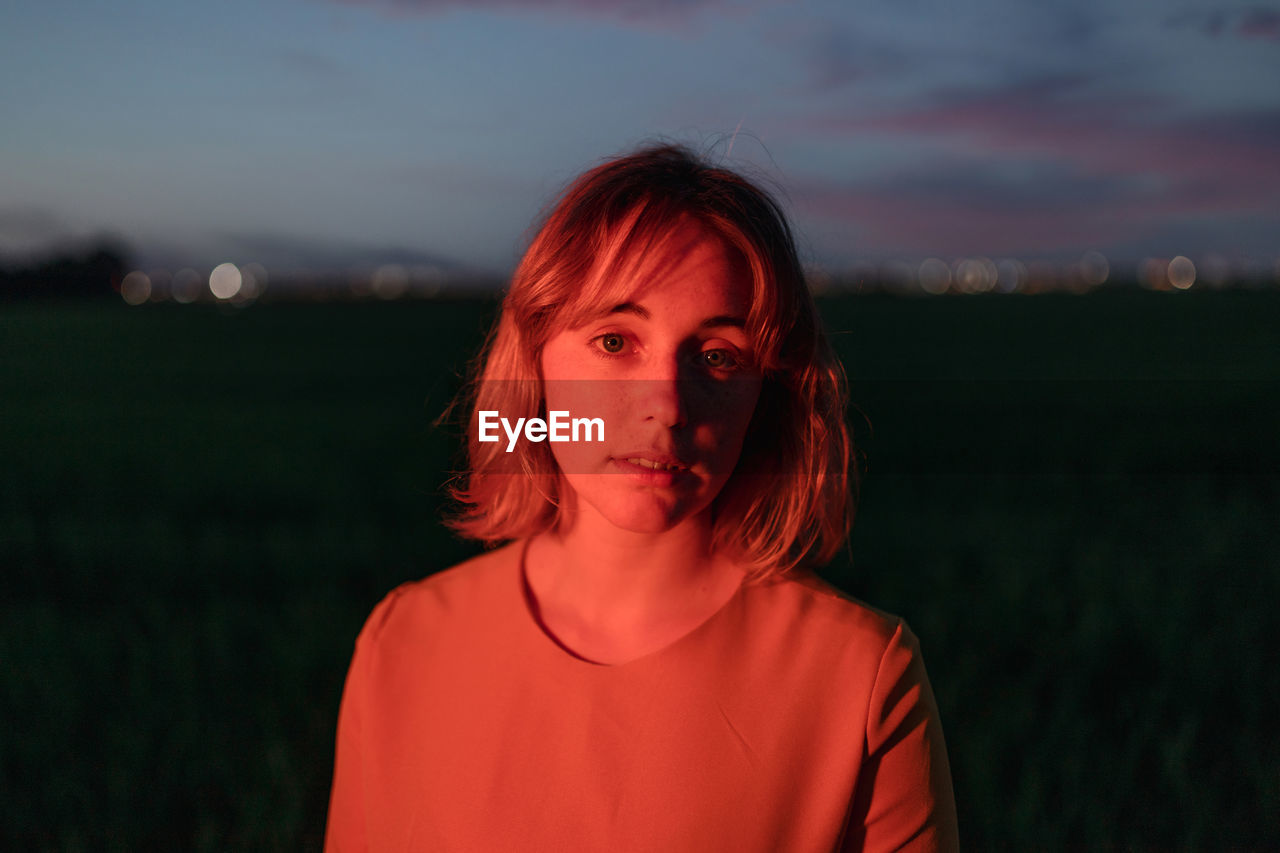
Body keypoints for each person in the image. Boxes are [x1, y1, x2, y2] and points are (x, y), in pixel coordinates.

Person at [324, 144, 959, 852]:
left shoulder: (863, 678)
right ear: (533, 360)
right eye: (615, 340)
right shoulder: (403, 643)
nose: (665, 404)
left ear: (766, 395)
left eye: (717, 356)